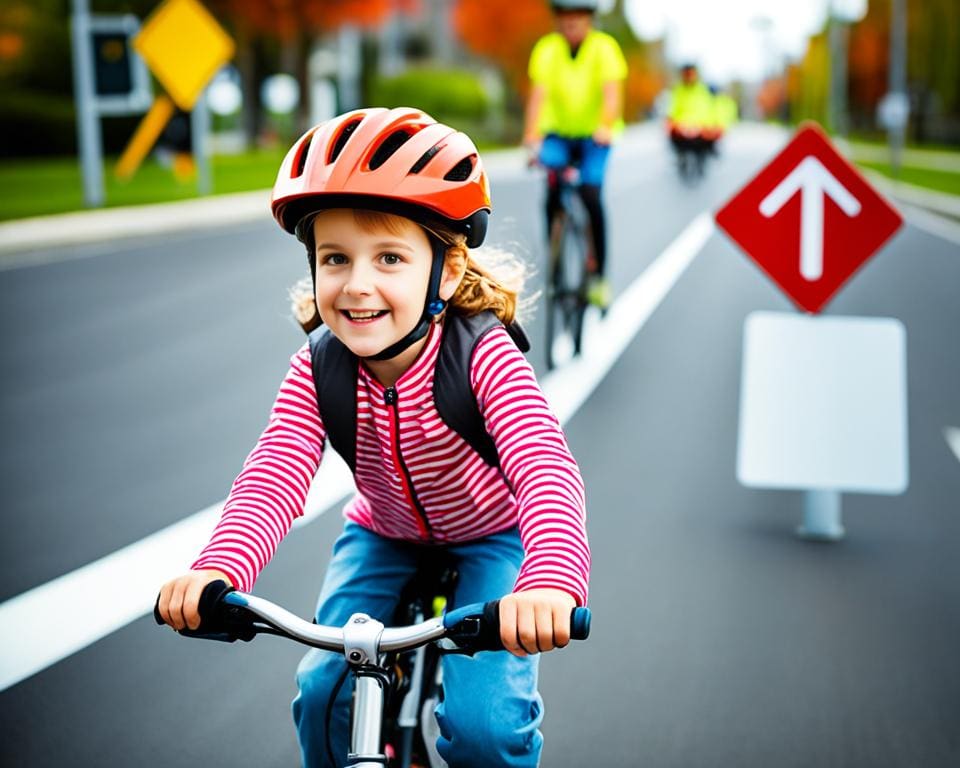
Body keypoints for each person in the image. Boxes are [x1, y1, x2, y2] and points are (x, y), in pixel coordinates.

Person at [155, 107, 590, 768]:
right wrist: (220, 567)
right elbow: (274, 473)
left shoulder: (482, 356)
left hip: (491, 537)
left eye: (390, 257)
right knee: (322, 691)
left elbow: (543, 465)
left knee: (486, 728)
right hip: (382, 534)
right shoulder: (320, 366)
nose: (358, 284)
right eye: (335, 258)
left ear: (443, 272)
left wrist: (551, 578)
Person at [523, 0, 627, 310]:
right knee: (552, 191)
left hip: (595, 137)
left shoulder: (604, 48)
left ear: (589, 19)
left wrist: (605, 126)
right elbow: (538, 97)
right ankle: (554, 260)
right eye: (565, 17)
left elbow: (612, 94)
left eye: (578, 17)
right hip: (558, 135)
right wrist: (531, 137)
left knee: (591, 195)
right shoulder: (547, 49)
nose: (571, 23)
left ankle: (599, 279)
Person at [666, 63, 715, 175]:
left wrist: (708, 127)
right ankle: (680, 157)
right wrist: (673, 124)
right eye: (686, 74)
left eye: (691, 73)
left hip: (700, 127)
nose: (688, 76)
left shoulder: (703, 90)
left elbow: (709, 110)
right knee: (672, 135)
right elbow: (671, 110)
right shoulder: (677, 90)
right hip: (682, 126)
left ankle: (704, 157)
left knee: (707, 140)